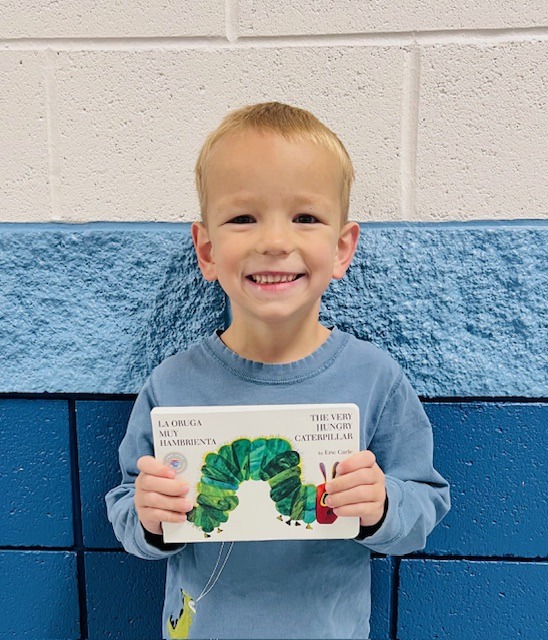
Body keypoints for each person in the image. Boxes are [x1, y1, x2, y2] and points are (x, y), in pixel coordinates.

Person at [106, 102, 450, 640]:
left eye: (305, 217)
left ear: (341, 249)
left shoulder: (376, 379)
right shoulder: (169, 386)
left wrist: (384, 505)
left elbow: (426, 501)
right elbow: (127, 504)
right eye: (243, 217)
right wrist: (149, 516)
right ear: (207, 249)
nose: (273, 241)